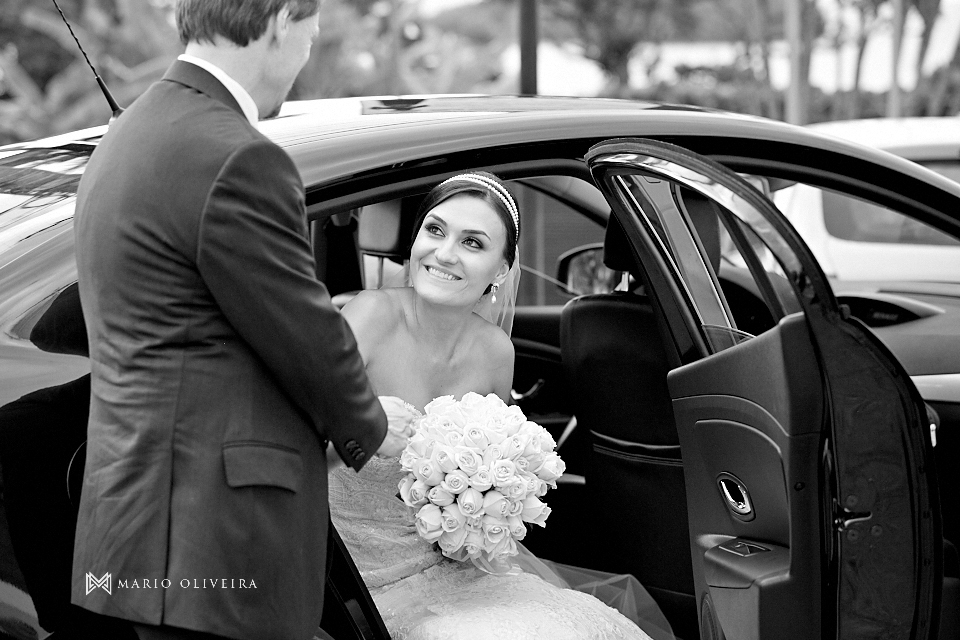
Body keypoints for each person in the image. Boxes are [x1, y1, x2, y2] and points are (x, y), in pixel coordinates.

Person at [70, 2, 404, 639]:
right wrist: (373, 427)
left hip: (142, 526)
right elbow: (303, 331)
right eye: (311, 34)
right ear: (280, 22)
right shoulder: (237, 156)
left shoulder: (130, 131)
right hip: (214, 539)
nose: (305, 56)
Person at [331, 172, 669, 640]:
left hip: (452, 572)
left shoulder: (495, 350)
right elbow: (295, 437)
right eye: (434, 230)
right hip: (350, 578)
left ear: (502, 270)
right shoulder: (369, 314)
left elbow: (492, 475)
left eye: (472, 242)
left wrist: (483, 510)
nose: (444, 253)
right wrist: (365, 425)